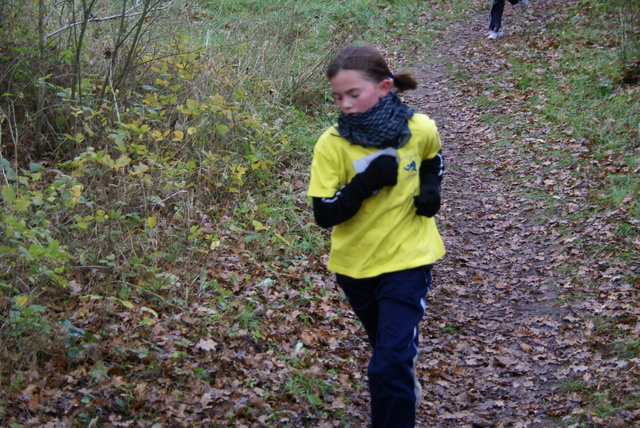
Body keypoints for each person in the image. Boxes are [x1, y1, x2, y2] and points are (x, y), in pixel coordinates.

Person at [307, 45, 446, 428]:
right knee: (388, 353)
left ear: (385, 87)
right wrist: (365, 182)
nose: (345, 104)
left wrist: (431, 189)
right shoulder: (332, 144)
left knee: (387, 364)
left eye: (354, 94)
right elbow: (325, 213)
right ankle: (401, 375)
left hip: (409, 258)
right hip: (355, 267)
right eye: (338, 97)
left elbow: (433, 158)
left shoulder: (420, 127)